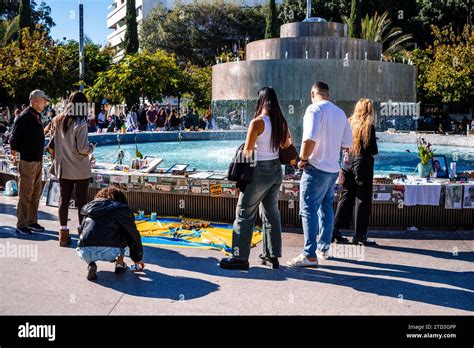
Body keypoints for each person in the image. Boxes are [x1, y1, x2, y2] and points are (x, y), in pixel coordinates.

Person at [220, 87, 292, 270]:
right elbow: (287, 144)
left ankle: (240, 257)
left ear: (260, 101)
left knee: (244, 213)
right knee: (271, 213)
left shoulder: (257, 122)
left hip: (259, 171)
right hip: (276, 171)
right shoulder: (281, 122)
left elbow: (248, 152)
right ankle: (271, 256)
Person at [287, 82, 353, 267]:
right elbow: (348, 142)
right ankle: (323, 249)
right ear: (328, 94)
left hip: (315, 167)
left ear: (312, 94)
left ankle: (309, 255)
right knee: (326, 208)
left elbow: (309, 138)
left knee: (308, 209)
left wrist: (303, 158)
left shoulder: (314, 109)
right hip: (332, 169)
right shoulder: (340, 113)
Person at [50, 91, 95, 246]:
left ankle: (63, 233)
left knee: (64, 199)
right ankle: (82, 233)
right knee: (82, 200)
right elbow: (82, 148)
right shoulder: (81, 123)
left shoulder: (57, 120)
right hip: (80, 168)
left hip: (63, 167)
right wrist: (91, 148)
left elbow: (52, 143)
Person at [332, 98, 378, 246]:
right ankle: (359, 235)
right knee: (362, 199)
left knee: (345, 197)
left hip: (347, 162)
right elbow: (373, 149)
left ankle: (335, 231)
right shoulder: (368, 126)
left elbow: (341, 144)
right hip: (362, 163)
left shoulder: (349, 122)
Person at [77, 186, 145, 281]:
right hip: (110, 251)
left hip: (85, 251)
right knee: (125, 230)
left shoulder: (90, 208)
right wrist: (137, 258)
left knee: (86, 234)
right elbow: (133, 235)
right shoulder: (120, 209)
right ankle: (120, 264)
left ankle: (91, 264)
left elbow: (81, 229)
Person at [10, 90, 50, 235]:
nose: (45, 103)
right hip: (27, 161)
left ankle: (32, 221)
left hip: (37, 160)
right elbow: (14, 141)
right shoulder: (25, 116)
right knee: (25, 194)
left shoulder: (36, 116)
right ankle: (21, 224)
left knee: (35, 193)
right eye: (43, 100)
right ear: (35, 101)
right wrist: (18, 156)